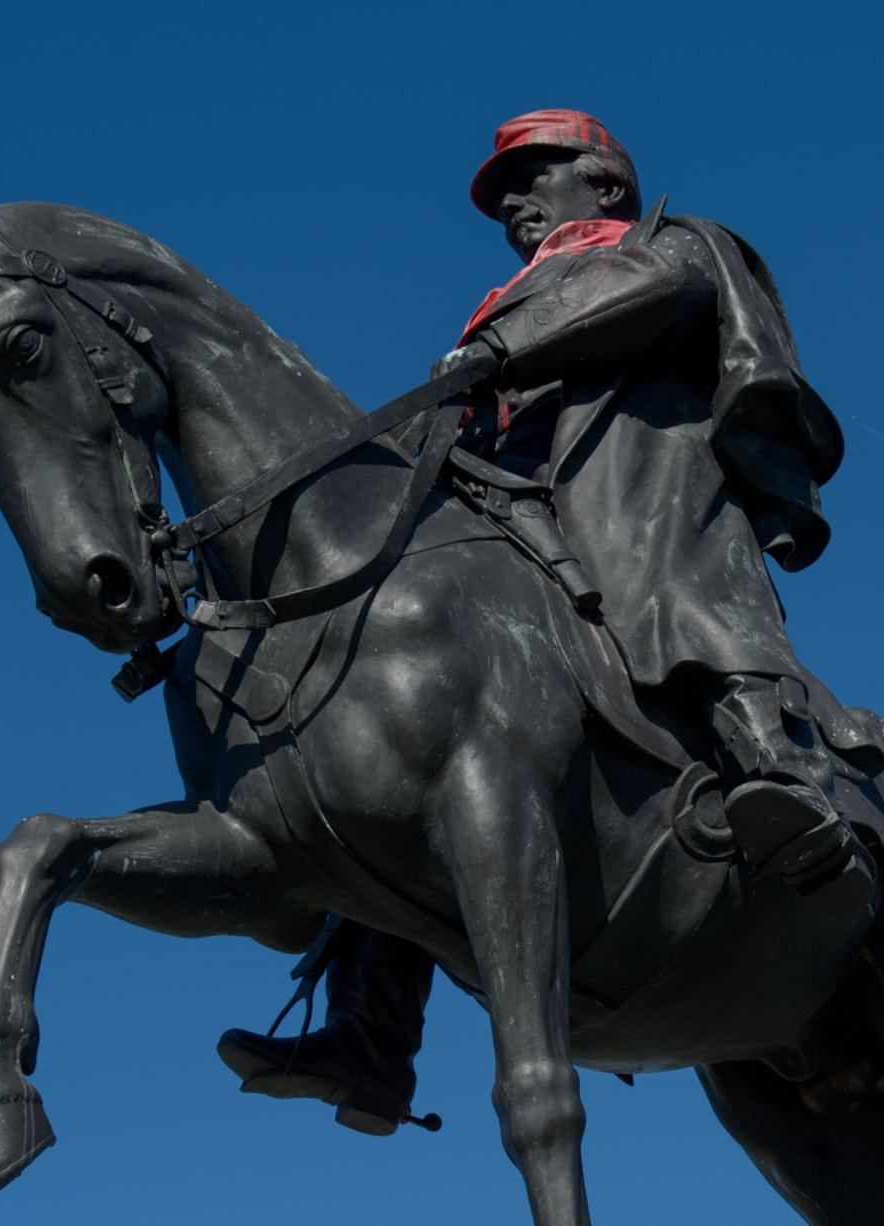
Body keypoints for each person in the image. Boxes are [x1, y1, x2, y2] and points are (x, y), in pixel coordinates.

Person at [217, 110, 874, 1133]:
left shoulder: (669, 242)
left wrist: (494, 351)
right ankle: (371, 1030)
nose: (515, 204)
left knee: (666, 569)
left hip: (634, 488)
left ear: (604, 182)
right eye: (502, 193)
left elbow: (652, 300)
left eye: (535, 178)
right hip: (519, 516)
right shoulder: (501, 312)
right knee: (411, 722)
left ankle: (776, 768)